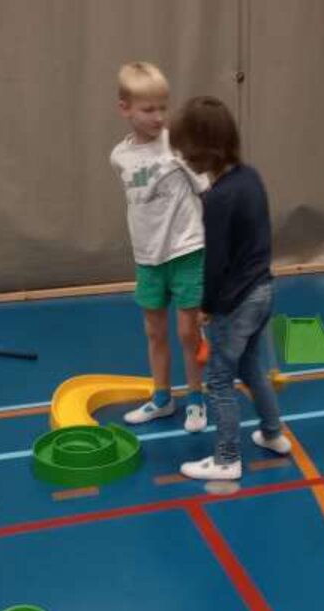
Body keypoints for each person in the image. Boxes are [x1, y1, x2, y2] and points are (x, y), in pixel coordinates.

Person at [168, 96, 289, 481]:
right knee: (251, 367)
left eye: (186, 150)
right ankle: (273, 434)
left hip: (236, 303)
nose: (183, 157)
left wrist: (205, 307)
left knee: (220, 379)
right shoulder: (251, 177)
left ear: (205, 149)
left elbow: (216, 263)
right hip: (263, 291)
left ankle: (226, 459)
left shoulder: (218, 199)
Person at [110, 61, 208, 431]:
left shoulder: (177, 145)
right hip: (148, 258)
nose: (158, 117)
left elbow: (206, 189)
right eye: (148, 109)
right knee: (154, 332)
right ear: (125, 109)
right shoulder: (119, 157)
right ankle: (162, 398)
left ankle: (196, 398)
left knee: (187, 332)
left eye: (163, 108)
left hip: (186, 251)